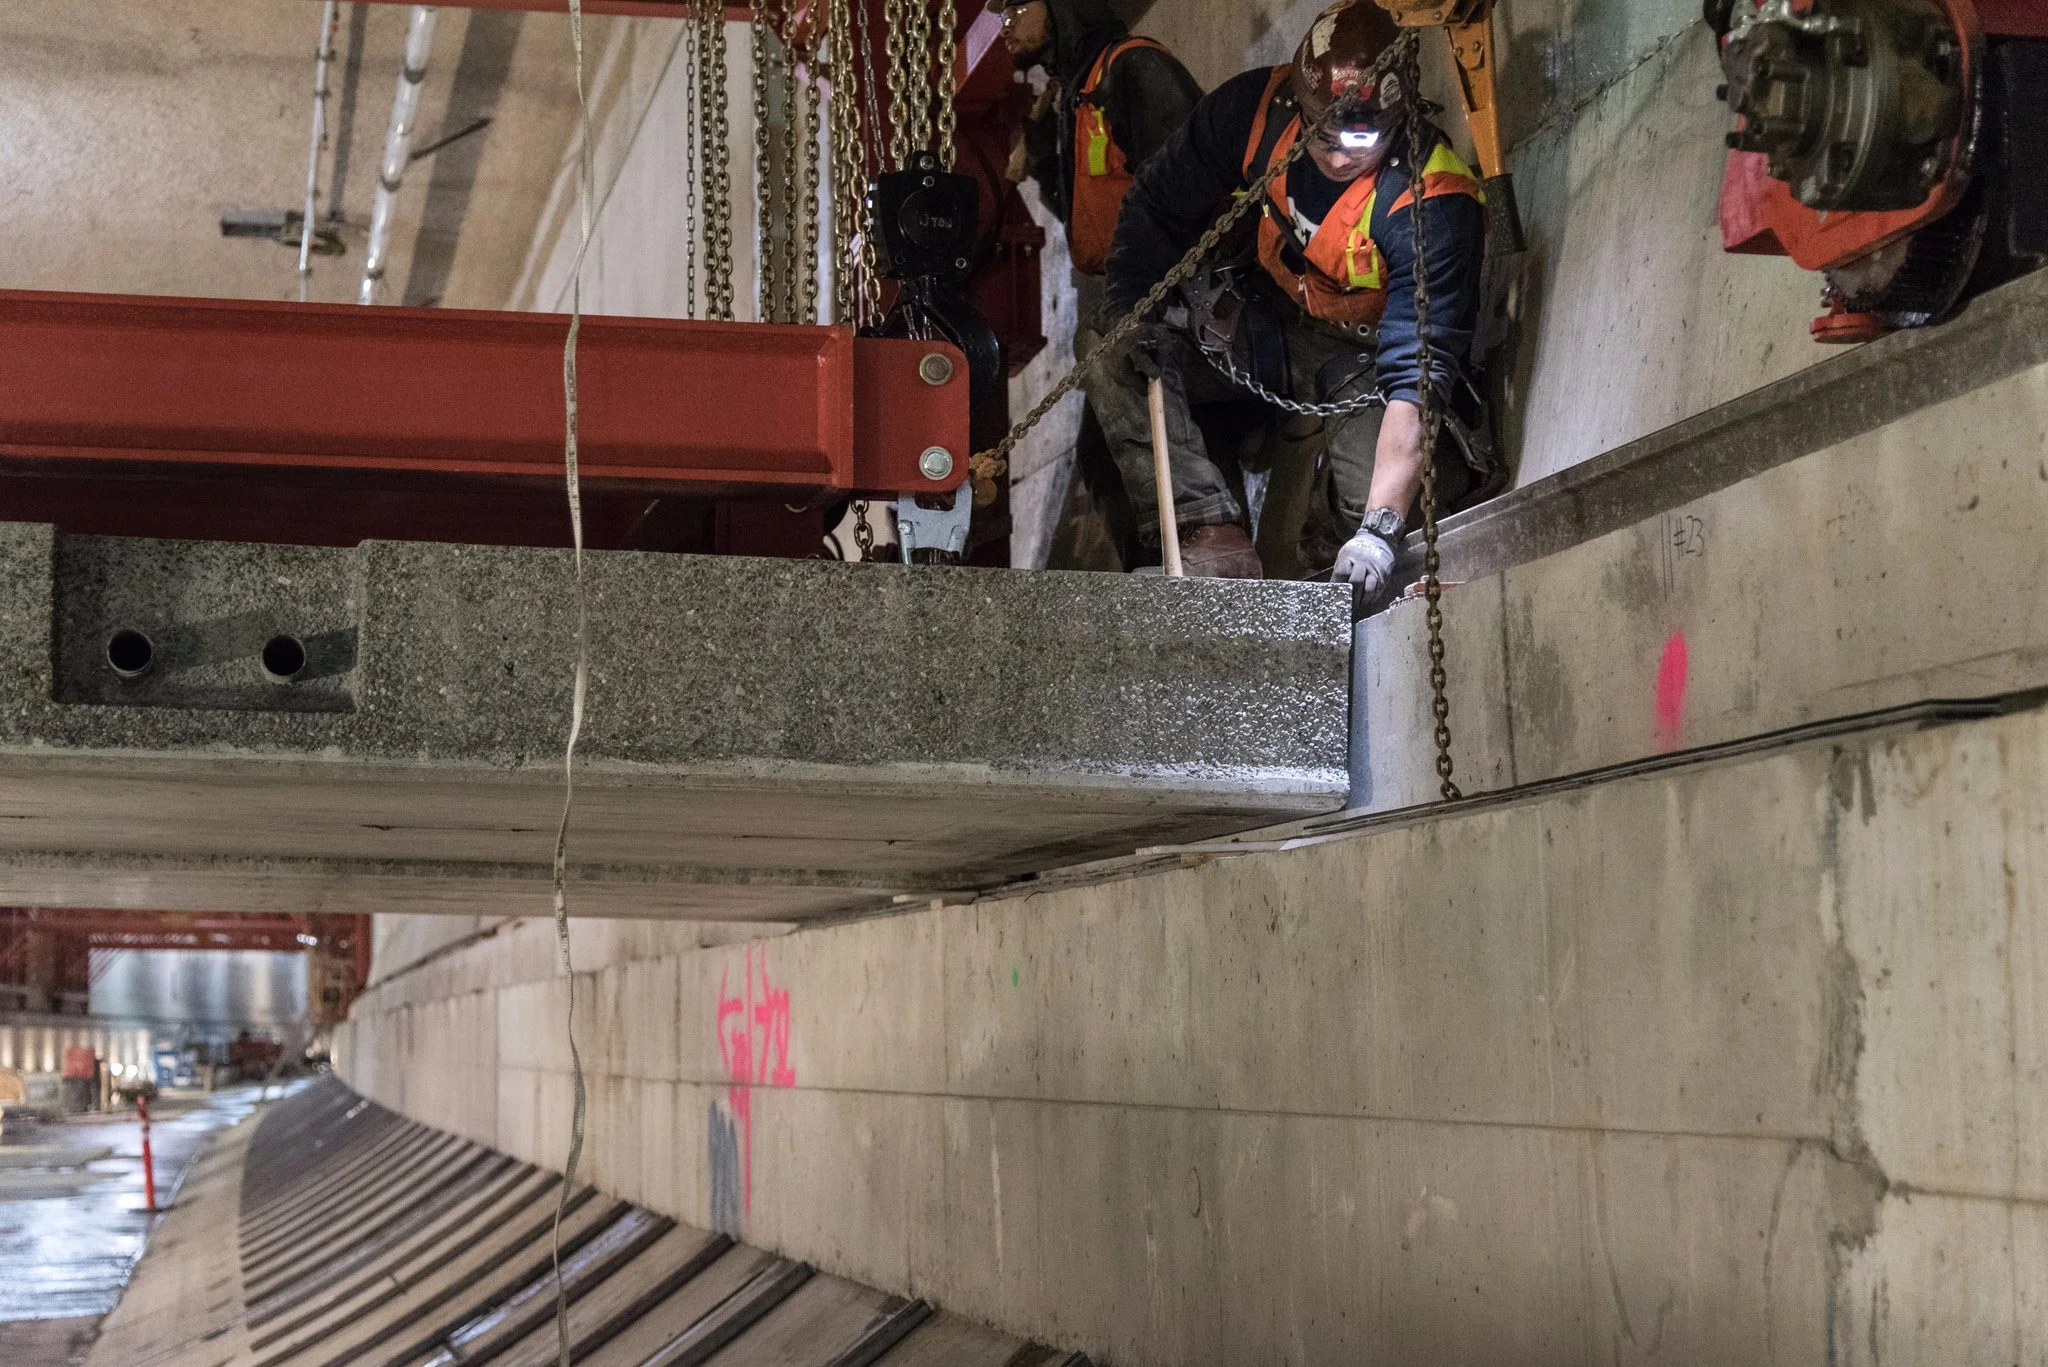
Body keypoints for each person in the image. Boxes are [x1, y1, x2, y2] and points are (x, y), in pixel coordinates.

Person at [1093, 0, 1490, 585]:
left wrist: (1379, 528)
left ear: (1399, 112)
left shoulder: (1431, 203)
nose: (1334, 155)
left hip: (1365, 365)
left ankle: (1329, 528)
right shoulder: (1256, 111)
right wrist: (1135, 308)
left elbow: (1417, 377)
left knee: (1394, 506)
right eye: (1319, 134)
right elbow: (1157, 204)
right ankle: (1208, 528)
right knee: (1115, 344)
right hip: (1265, 327)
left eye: (1358, 138)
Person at [993, 0, 1204, 573]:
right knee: (1104, 455)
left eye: (1015, 7)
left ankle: (1203, 545)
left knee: (1110, 369)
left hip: (1186, 291)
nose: (1004, 23)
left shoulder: (1133, 70)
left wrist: (1162, 295)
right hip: (1135, 288)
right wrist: (1040, 148)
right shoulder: (1081, 91)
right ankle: (1181, 563)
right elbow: (1090, 218)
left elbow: (1189, 184)